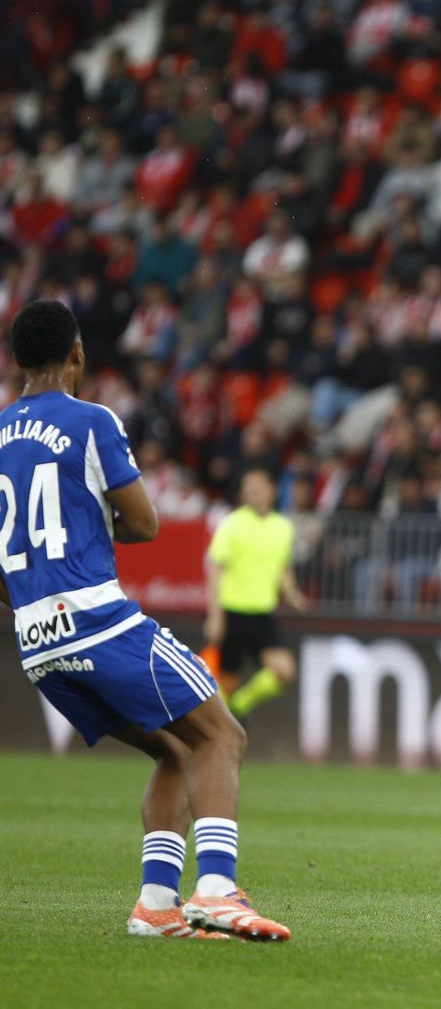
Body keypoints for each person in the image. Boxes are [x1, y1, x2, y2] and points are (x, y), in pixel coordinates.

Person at [2, 302, 289, 941]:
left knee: (176, 748)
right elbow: (144, 522)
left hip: (37, 643)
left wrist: (32, 601)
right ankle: (217, 889)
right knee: (222, 736)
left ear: (17, 360)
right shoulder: (91, 420)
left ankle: (156, 906)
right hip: (99, 622)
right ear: (77, 354)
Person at [204, 466, 307, 719]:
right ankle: (225, 720)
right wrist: (215, 615)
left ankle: (238, 707)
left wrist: (293, 594)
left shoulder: (282, 526)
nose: (254, 495)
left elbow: (283, 568)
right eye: (249, 490)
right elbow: (215, 568)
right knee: (227, 680)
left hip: (262, 613)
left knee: (284, 670)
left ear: (272, 491)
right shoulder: (232, 524)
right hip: (233, 612)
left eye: (258, 489)